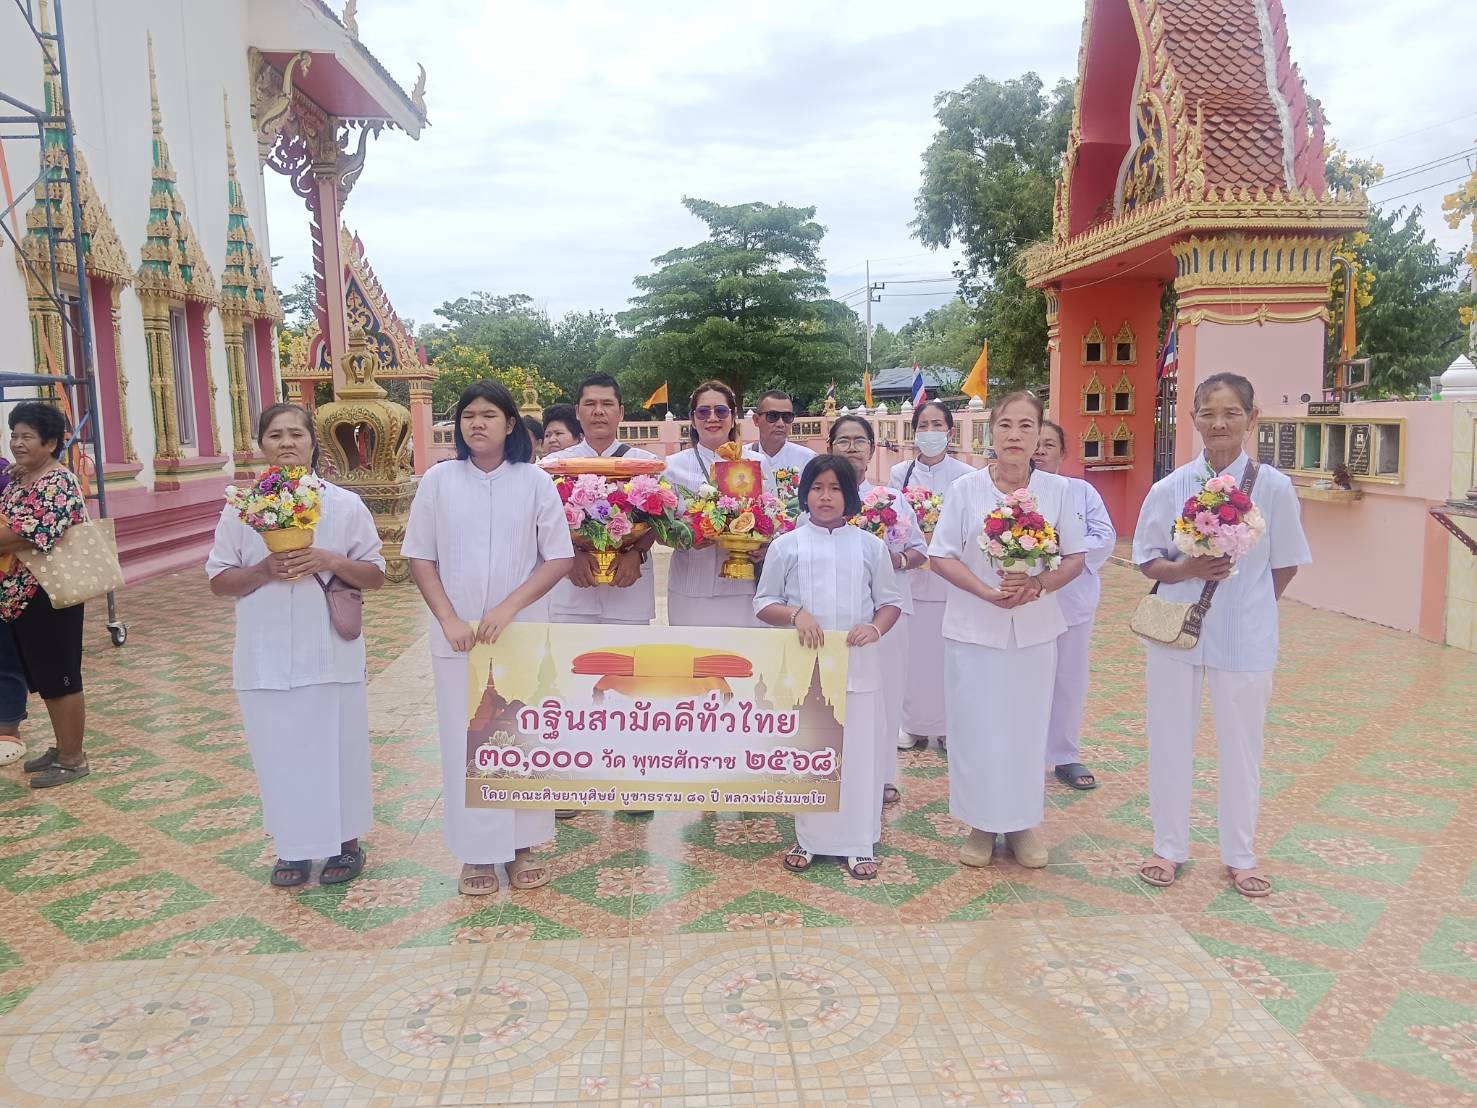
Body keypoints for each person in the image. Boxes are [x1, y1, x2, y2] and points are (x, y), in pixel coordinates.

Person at [1132, 372, 1310, 899]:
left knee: (1241, 748)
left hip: (1245, 639)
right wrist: (1189, 570)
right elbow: (1146, 561)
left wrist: (1250, 609)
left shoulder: (1274, 489)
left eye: (1232, 413)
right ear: (1193, 420)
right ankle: (1169, 846)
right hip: (1175, 635)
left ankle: (1241, 854)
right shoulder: (1170, 489)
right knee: (1168, 741)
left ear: (1252, 419)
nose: (1219, 424)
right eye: (1208, 413)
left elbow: (1286, 565)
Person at [404, 382, 575, 895]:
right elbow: (420, 556)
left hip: (521, 635)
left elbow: (559, 557)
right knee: (467, 743)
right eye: (468, 416)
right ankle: (477, 856)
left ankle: (522, 846)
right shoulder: (438, 481)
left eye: (488, 415)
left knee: (520, 740)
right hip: (459, 641)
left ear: (510, 426)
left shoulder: (535, 482)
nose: (476, 424)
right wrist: (448, 618)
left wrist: (508, 608)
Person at [207, 403, 386, 887]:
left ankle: (346, 843)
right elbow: (219, 579)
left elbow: (375, 574)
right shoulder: (240, 509)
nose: (286, 443)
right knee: (278, 750)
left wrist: (327, 558)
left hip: (331, 648)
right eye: (275, 435)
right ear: (261, 445)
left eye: (296, 434)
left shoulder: (344, 505)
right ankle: (292, 848)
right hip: (264, 653)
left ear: (312, 443)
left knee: (340, 746)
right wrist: (263, 570)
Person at [928, 392, 1087, 868]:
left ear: (1040, 435)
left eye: (1025, 426)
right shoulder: (966, 490)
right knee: (976, 729)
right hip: (973, 629)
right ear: (989, 433)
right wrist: (984, 590)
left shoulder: (1060, 492)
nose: (1015, 436)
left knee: (1024, 729)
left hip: (1034, 631)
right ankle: (980, 825)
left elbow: (1077, 557)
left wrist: (1038, 583)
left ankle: (1021, 825)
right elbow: (940, 555)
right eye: (1005, 426)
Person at [756, 455, 902, 880]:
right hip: (807, 672)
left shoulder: (870, 547)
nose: (825, 496)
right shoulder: (787, 545)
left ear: (849, 496)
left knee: (859, 756)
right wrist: (796, 614)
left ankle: (859, 843)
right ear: (805, 493)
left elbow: (890, 603)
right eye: (817, 487)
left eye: (835, 488)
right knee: (813, 755)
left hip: (859, 669)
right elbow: (763, 603)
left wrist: (874, 629)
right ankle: (810, 839)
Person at [830, 414, 926, 807]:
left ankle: (883, 774)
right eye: (843, 441)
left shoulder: (891, 499)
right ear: (830, 447)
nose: (852, 448)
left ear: (872, 449)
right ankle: (833, 768)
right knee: (835, 695)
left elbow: (920, 551)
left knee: (884, 692)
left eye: (859, 441)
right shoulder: (820, 499)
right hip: (832, 619)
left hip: (884, 616)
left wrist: (894, 560)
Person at [0, 402, 91, 788]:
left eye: (27, 437)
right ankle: (61, 746)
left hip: (49, 593)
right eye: (14, 435)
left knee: (62, 677)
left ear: (51, 442)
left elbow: (24, 533)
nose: (17, 443)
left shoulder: (58, 482)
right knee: (45, 676)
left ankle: (73, 758)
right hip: (19, 595)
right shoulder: (23, 478)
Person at [1032, 420, 1116, 789]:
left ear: (1062, 453)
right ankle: (1022, 752)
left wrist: (1063, 556)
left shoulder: (1081, 491)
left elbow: (1104, 536)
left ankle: (1064, 754)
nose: (1039, 450)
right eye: (1035, 442)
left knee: (1068, 679)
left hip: (1071, 600)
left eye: (1049, 444)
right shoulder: (1008, 491)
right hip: (1023, 600)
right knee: (1023, 679)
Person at [889, 400, 975, 752]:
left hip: (950, 578)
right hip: (913, 576)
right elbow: (894, 520)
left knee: (948, 654)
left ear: (950, 432)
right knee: (916, 656)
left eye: (937, 425)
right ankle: (912, 725)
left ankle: (948, 726)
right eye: (923, 425)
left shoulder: (966, 475)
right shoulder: (900, 474)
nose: (930, 432)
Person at [545, 375, 659, 627]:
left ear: (620, 412)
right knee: (569, 664)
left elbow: (662, 520)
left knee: (625, 664)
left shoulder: (646, 463)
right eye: (590, 404)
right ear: (577, 412)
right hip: (572, 591)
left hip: (629, 589)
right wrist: (569, 556)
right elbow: (538, 525)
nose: (598, 412)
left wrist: (637, 553)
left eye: (607, 404)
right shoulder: (553, 467)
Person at [664, 380, 762, 627]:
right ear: (692, 419)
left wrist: (764, 545)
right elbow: (661, 530)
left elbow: (774, 518)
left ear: (733, 416)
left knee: (743, 661)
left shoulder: (757, 463)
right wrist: (688, 536)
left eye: (721, 411)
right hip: (690, 586)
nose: (712, 418)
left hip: (744, 586)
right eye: (703, 412)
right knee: (693, 661)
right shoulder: (672, 467)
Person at [744, 389, 815, 495]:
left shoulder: (808, 459)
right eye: (773, 416)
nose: (780, 423)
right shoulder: (741, 457)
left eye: (787, 417)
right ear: (756, 420)